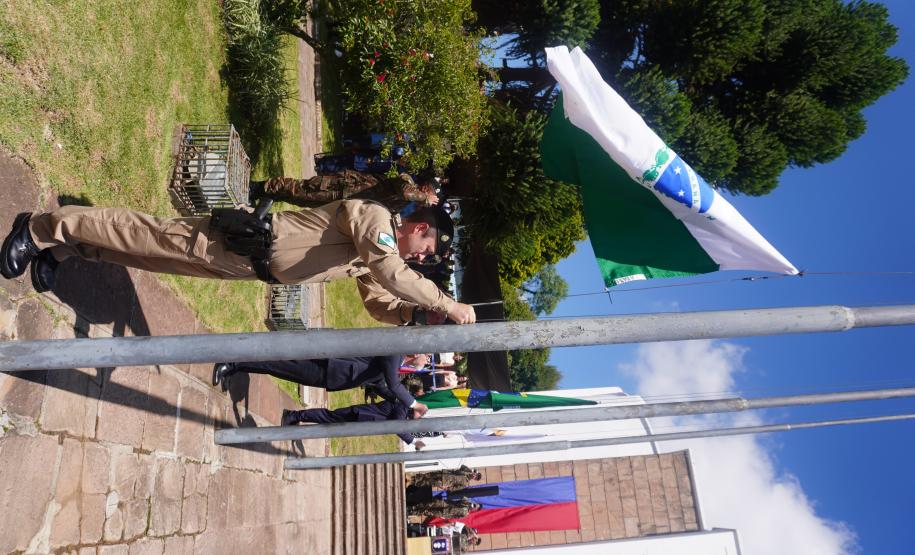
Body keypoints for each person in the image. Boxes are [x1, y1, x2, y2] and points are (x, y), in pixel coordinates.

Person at [0, 201, 476, 325]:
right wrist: (448, 304)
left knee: (147, 257)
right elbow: (392, 273)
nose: (422, 257)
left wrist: (417, 315)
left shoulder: (369, 259)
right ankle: (40, 228)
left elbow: (378, 302)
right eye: (427, 247)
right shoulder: (375, 223)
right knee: (142, 234)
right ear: (418, 226)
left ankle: (66, 248)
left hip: (246, 267)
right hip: (240, 244)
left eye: (428, 258)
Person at [212, 354, 430, 416]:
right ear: (417, 351)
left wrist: (403, 408)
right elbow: (392, 383)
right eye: (428, 356)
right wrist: (414, 404)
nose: (428, 360)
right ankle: (232, 362)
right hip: (331, 368)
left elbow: (381, 385)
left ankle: (237, 365)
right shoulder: (396, 353)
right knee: (280, 365)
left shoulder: (397, 362)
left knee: (280, 369)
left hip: (333, 376)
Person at [280, 384, 428, 449]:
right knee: (328, 416)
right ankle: (293, 415)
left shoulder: (404, 410)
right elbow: (398, 427)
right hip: (359, 415)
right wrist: (414, 441)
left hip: (360, 420)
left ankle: (296, 417)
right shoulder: (403, 406)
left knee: (328, 420)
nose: (419, 417)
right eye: (420, 414)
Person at [250, 171, 439, 213]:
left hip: (345, 201)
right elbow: (406, 192)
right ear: (425, 188)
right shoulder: (407, 181)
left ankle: (267, 194)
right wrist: (425, 199)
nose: (429, 199)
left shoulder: (405, 204)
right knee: (301, 189)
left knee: (303, 200)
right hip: (343, 188)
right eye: (430, 193)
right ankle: (258, 187)